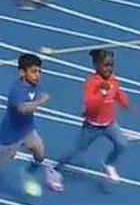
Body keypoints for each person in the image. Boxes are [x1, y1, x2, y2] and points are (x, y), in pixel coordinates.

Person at [0, 53, 62, 203]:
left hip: (27, 130)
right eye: (34, 71)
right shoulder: (17, 89)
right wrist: (40, 101)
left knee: (40, 153)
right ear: (22, 72)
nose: (38, 75)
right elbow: (22, 109)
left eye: (39, 71)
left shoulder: (35, 85)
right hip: (9, 136)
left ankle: (29, 174)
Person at [51, 49, 135, 186]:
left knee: (122, 144)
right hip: (92, 126)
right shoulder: (92, 82)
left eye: (111, 65)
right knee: (78, 150)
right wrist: (102, 93)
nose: (109, 68)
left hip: (109, 124)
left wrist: (125, 103)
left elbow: (118, 93)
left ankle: (108, 163)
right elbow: (90, 104)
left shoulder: (113, 80)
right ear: (96, 65)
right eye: (106, 65)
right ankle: (54, 169)